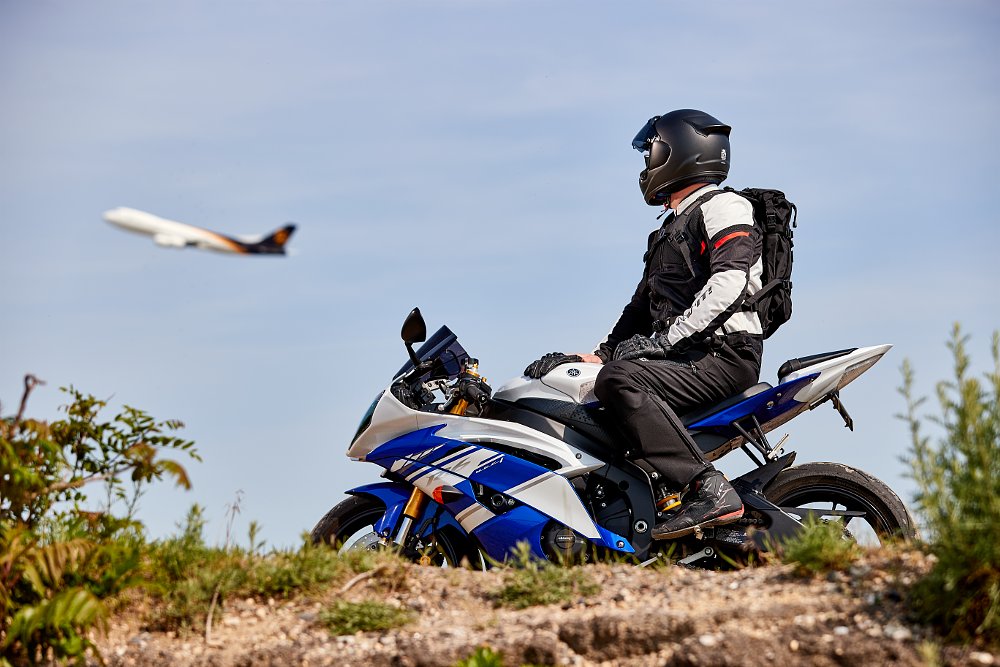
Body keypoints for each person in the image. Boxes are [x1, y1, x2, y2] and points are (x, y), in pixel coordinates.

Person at [524, 109, 764, 540]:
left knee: (619, 380)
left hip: (723, 355)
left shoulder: (724, 205)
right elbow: (639, 308)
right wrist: (596, 357)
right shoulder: (671, 229)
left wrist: (665, 342)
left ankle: (707, 488)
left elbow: (730, 282)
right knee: (596, 389)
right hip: (687, 356)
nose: (647, 165)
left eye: (651, 153)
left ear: (681, 152)